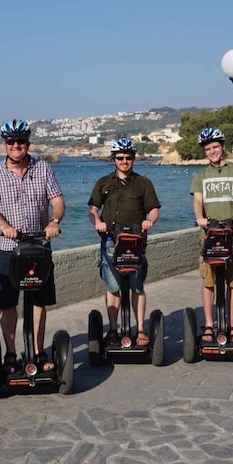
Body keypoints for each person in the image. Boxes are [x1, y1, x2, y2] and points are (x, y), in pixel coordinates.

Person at [0, 119, 65, 373]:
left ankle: (38, 352)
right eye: (11, 142)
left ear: (27, 143)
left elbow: (58, 200)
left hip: (39, 244)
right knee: (8, 303)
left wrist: (54, 221)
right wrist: (4, 226)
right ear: (5, 145)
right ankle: (10, 353)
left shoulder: (43, 169)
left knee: (39, 300)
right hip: (8, 247)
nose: (16, 145)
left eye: (20, 141)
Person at [87, 138, 161, 346]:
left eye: (128, 158)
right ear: (113, 159)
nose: (124, 161)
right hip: (111, 241)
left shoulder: (143, 183)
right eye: (120, 158)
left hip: (136, 242)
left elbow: (154, 209)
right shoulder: (103, 182)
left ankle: (141, 331)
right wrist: (97, 222)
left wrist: (149, 221)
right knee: (113, 287)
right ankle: (112, 330)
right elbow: (93, 209)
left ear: (133, 159)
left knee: (137, 287)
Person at [190, 127, 233, 342]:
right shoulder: (200, 176)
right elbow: (197, 201)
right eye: (208, 149)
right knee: (208, 279)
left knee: (232, 280)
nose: (212, 151)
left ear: (223, 147)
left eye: (215, 147)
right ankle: (209, 325)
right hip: (210, 234)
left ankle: (232, 325)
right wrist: (200, 218)